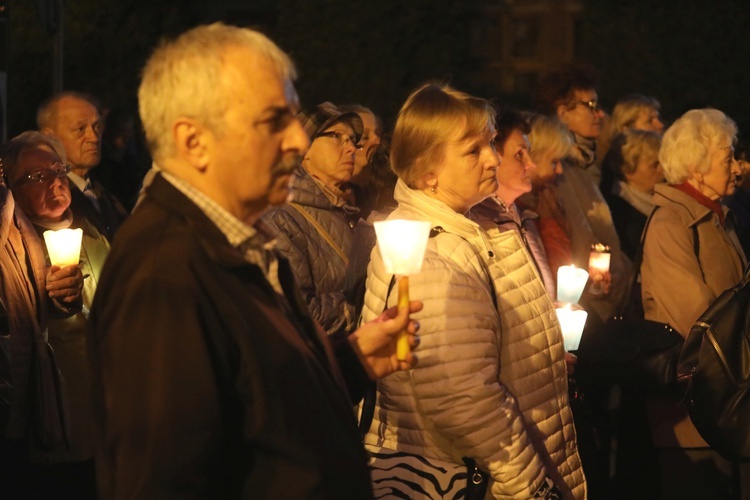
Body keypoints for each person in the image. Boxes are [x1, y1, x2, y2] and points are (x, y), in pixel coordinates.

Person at [89, 22, 421, 499]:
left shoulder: (238, 239)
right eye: (273, 121)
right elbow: (163, 479)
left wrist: (349, 361)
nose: (295, 141)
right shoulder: (164, 271)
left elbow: (255, 406)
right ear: (193, 140)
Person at [361, 83, 586, 498]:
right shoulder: (429, 254)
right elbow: (463, 398)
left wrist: (544, 353)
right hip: (476, 478)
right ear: (428, 171)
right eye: (474, 150)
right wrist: (530, 487)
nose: (493, 159)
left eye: (490, 144)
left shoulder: (482, 223)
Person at [641, 108, 747, 499]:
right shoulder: (673, 222)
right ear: (697, 166)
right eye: (728, 157)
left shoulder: (718, 216)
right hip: (695, 415)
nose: (738, 167)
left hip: (727, 405)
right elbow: (698, 318)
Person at [2, 131, 109, 498]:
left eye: (57, 170)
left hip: (108, 406)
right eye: (37, 177)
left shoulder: (92, 228)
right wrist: (61, 300)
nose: (55, 181)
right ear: (11, 189)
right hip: (57, 412)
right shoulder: (16, 249)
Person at [0, 169, 84, 498]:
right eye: (36, 174)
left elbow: (30, 300)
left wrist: (65, 295)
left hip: (24, 390)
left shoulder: (14, 215)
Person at [534, 64, 631, 321]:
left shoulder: (580, 165)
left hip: (594, 299)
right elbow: (565, 241)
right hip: (579, 309)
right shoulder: (555, 170)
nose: (599, 113)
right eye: (590, 105)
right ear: (563, 112)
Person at [263, 102, 362, 336]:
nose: (351, 149)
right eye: (337, 136)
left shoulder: (348, 209)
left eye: (352, 140)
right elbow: (300, 314)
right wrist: (367, 299)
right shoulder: (281, 220)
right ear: (304, 150)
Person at [472, 108, 555, 299]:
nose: (531, 164)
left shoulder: (524, 218)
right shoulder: (479, 224)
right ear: (492, 157)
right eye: (519, 154)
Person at [37, 92, 129, 241]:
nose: (93, 137)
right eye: (80, 128)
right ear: (50, 137)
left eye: (97, 127)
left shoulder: (107, 191)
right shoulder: (45, 201)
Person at [517, 113, 574, 288]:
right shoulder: (518, 209)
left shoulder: (544, 197)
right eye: (554, 162)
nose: (559, 171)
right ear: (531, 157)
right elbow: (555, 272)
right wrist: (549, 221)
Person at [603, 130, 664, 259]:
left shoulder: (665, 201)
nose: (663, 169)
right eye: (655, 164)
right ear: (628, 171)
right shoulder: (620, 215)